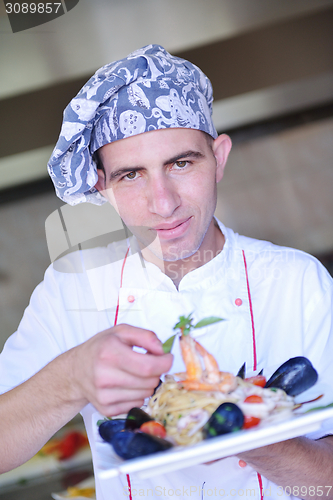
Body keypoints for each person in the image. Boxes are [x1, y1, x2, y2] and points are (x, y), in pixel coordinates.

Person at [0, 44, 333, 500]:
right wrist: (72, 378)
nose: (163, 202)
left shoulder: (297, 282)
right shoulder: (71, 287)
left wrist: (250, 429)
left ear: (219, 157)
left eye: (181, 163)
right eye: (131, 175)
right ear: (103, 187)